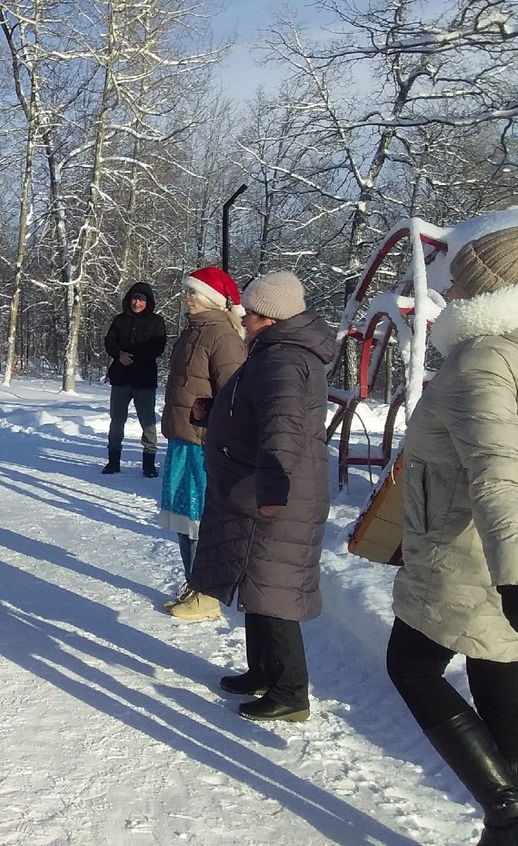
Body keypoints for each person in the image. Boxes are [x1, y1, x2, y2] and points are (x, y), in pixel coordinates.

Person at [386, 227, 518, 845]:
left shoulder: (483, 359)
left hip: (471, 558)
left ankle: (511, 819)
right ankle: (505, 833)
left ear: (494, 289)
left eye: (462, 279)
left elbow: (496, 473)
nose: (449, 289)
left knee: (411, 668)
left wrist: (516, 577)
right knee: (499, 690)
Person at [189, 270, 336, 723]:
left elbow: (283, 430)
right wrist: (216, 414)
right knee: (256, 584)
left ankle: (291, 692)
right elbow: (256, 411)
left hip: (274, 492)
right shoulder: (274, 353)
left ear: (271, 317)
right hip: (260, 486)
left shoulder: (284, 360)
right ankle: (262, 672)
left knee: (274, 592)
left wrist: (273, 490)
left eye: (251, 313)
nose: (245, 319)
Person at [160, 267, 247, 623]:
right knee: (183, 518)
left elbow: (234, 393)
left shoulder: (223, 337)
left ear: (211, 298)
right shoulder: (192, 332)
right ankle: (194, 583)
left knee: (200, 519)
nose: (187, 298)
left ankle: (207, 595)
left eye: (193, 293)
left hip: (204, 445)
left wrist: (212, 422)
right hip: (183, 440)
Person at [102, 281, 166, 476]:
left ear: (148, 302)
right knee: (116, 420)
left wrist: (136, 357)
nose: (137, 303)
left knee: (147, 422)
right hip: (121, 377)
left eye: (141, 300)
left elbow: (158, 346)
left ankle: (149, 463)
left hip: (144, 379)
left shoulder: (156, 322)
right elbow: (109, 341)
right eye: (134, 299)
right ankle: (113, 461)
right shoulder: (119, 320)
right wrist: (119, 354)